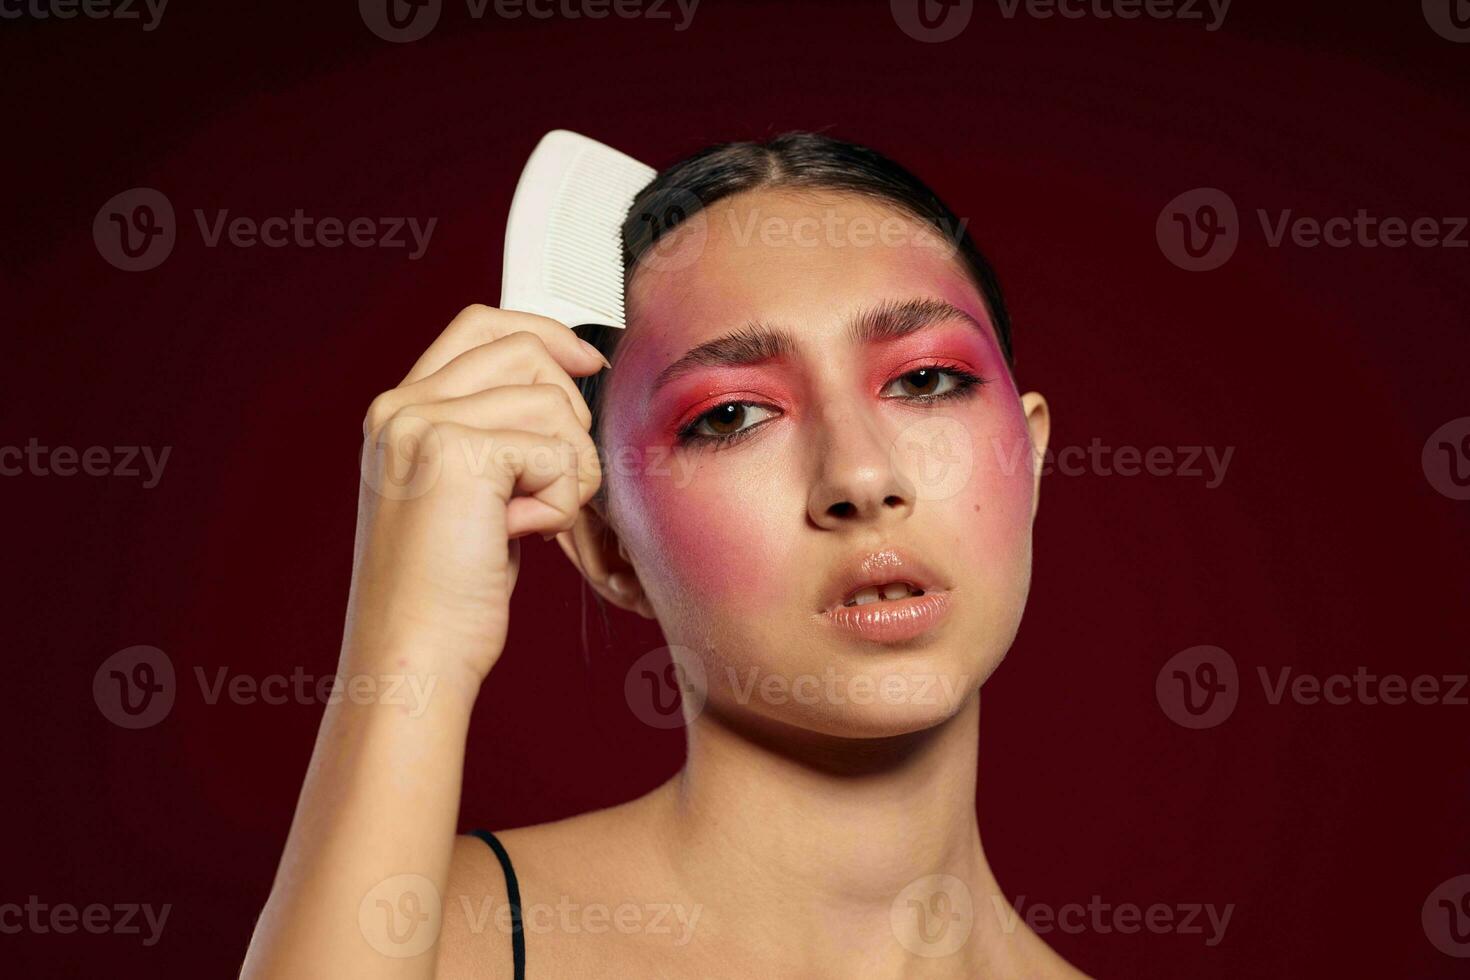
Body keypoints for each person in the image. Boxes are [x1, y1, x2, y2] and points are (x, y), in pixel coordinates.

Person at [242, 131, 1082, 978]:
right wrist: (410, 642)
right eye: (729, 416)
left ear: (1032, 457)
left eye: (926, 379)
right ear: (609, 545)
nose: (862, 476)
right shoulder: (430, 940)